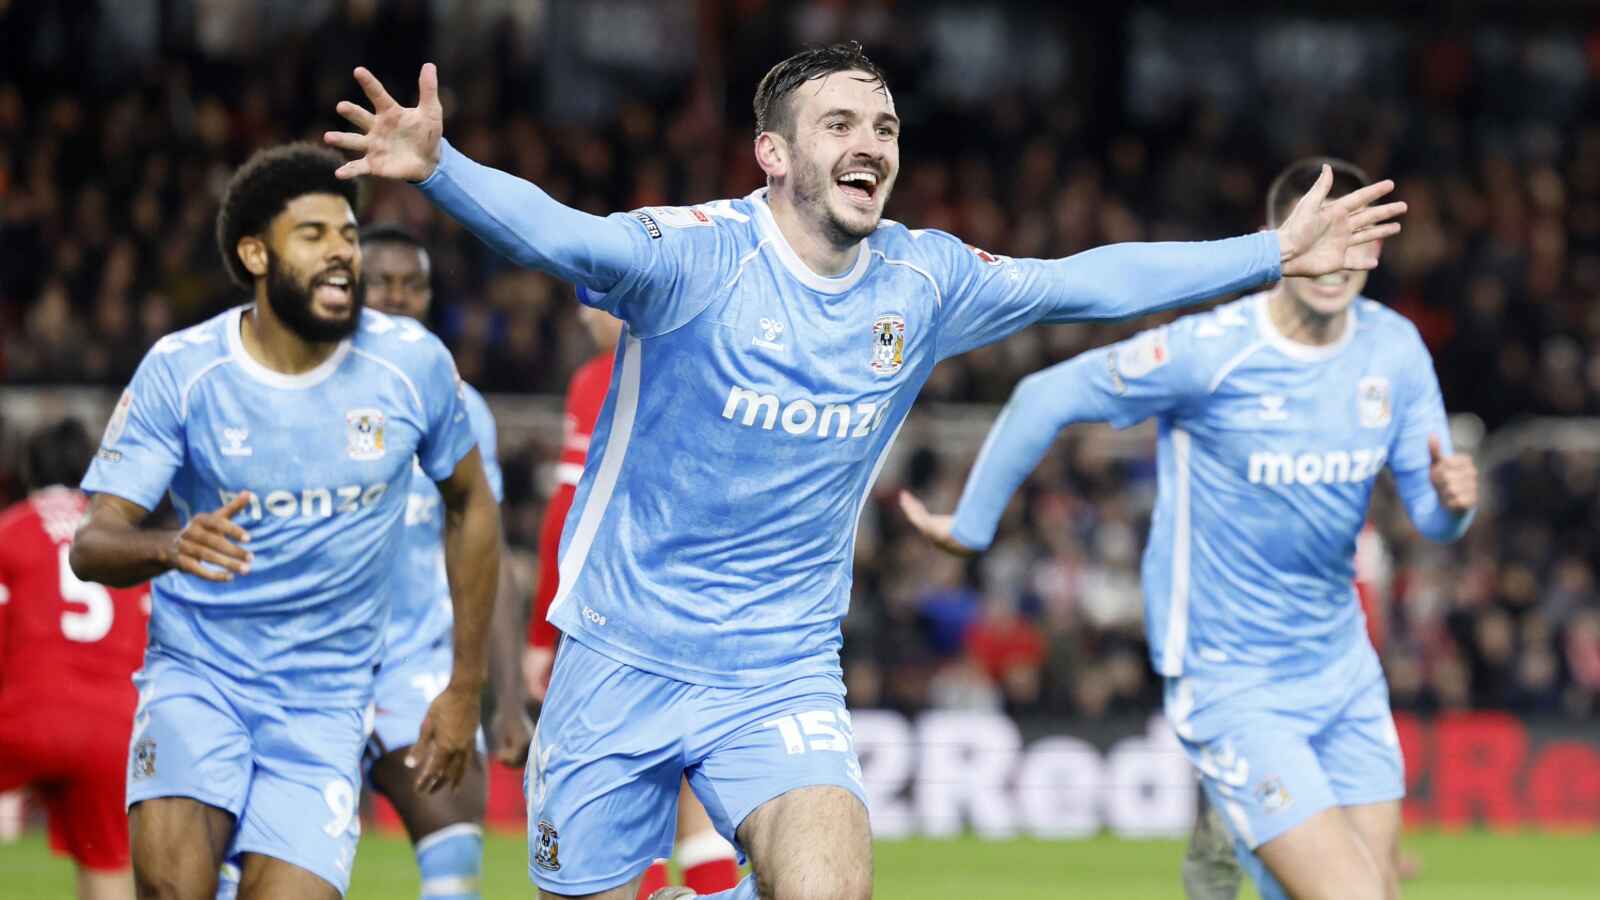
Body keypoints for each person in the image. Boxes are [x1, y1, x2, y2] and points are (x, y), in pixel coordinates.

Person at [324, 45, 1403, 900]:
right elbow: (563, 240)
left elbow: (1089, 281)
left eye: (884, 126)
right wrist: (445, 170)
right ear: (773, 155)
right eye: (839, 122)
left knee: (834, 882)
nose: (871, 142)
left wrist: (1267, 255)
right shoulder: (696, 257)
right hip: (618, 655)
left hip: (779, 671)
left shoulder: (922, 279)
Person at [899, 157, 1476, 900]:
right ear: (1281, 239)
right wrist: (971, 527)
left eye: (1356, 232)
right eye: (1318, 229)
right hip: (1232, 676)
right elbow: (1045, 395)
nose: (1337, 256)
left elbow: (1434, 518)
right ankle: (1236, 814)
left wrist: (1454, 503)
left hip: (1343, 673)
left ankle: (1230, 832)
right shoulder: (1211, 351)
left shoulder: (1393, 350)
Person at [69, 143, 501, 900]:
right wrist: (170, 546)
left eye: (347, 234)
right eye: (314, 235)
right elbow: (92, 544)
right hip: (199, 680)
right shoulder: (184, 369)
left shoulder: (413, 365)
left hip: (325, 705)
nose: (341, 251)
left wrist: (465, 685)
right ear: (255, 254)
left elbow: (470, 505)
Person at [523, 302, 740, 900]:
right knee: (694, 798)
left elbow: (566, 514)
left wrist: (542, 639)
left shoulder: (605, 375)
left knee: (620, 791)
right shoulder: (716, 363)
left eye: (593, 297)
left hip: (617, 622)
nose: (584, 312)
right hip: (711, 618)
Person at [0, 419, 151, 900]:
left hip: (25, 712)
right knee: (107, 871)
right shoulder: (123, 542)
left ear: (27, 473)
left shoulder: (11, 530)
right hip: (112, 727)